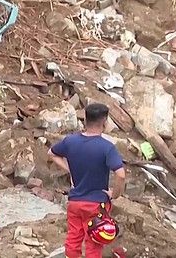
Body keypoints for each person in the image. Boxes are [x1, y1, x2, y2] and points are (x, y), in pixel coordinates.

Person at [49, 103, 126, 258]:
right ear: (104, 121)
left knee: (73, 238)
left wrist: (70, 169)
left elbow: (51, 153)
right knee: (94, 242)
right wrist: (115, 194)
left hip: (75, 202)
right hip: (96, 205)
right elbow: (121, 174)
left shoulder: (70, 141)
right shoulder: (107, 147)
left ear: (85, 119)